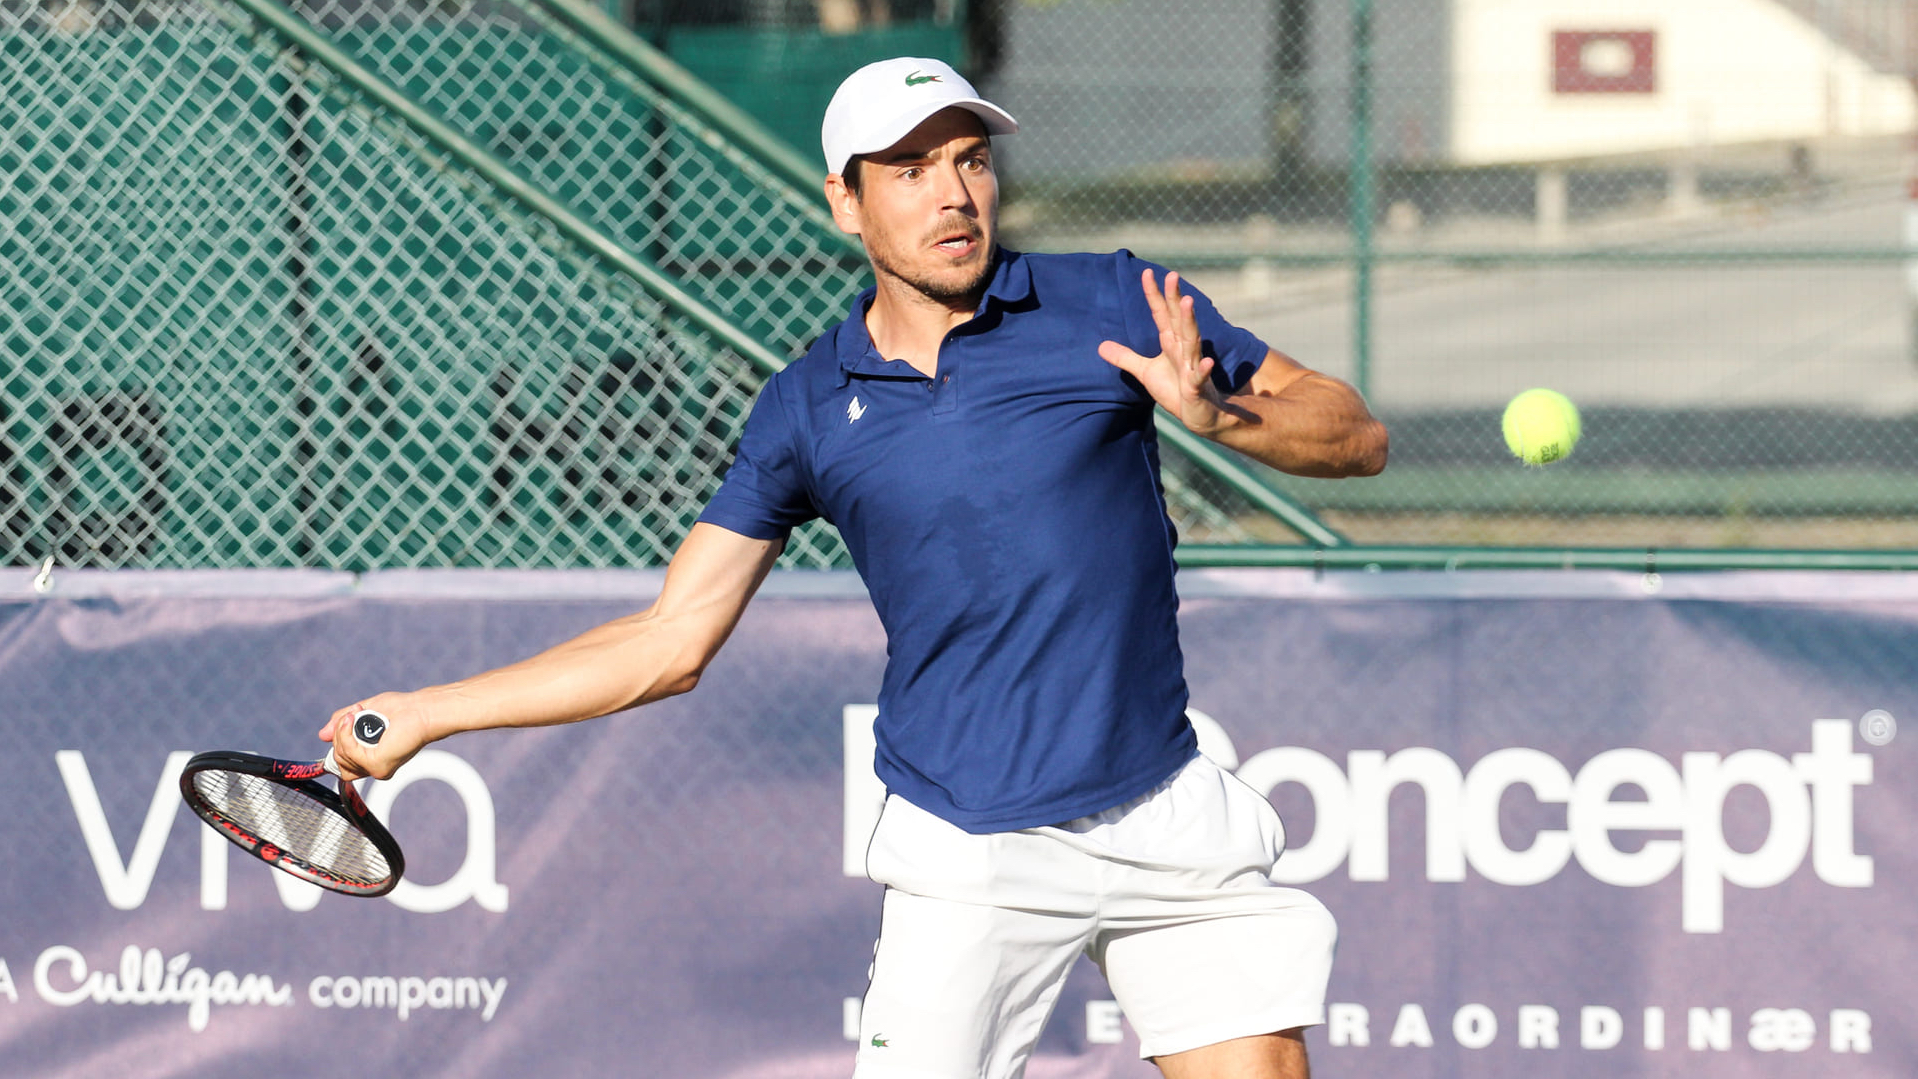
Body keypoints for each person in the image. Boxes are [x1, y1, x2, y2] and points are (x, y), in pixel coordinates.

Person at [321, 56, 1387, 1079]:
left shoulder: (1113, 302)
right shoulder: (807, 407)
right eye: (911, 171)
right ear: (846, 202)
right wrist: (428, 711)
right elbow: (668, 640)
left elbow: (1353, 431)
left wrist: (1224, 417)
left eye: (970, 160)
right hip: (967, 841)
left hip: (1160, 802)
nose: (954, 195)